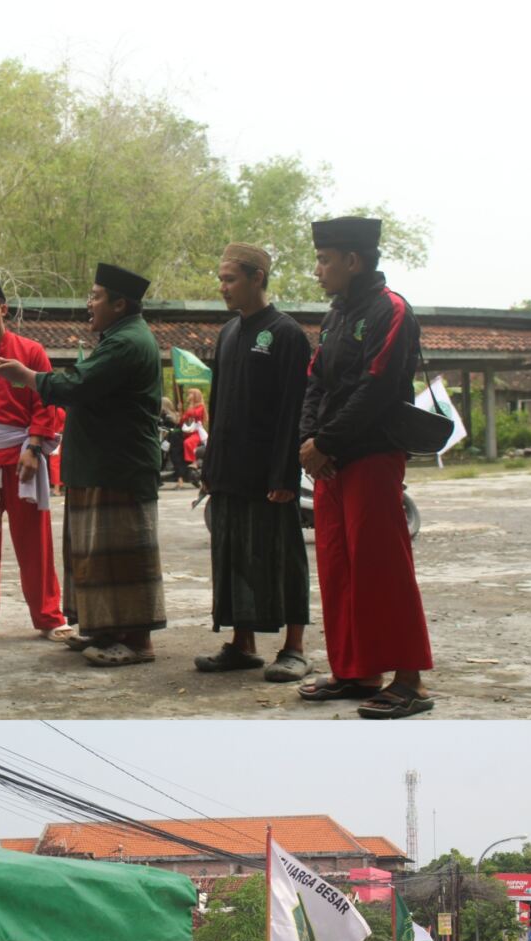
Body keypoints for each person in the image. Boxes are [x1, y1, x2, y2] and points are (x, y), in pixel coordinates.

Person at [0, 263, 165, 667]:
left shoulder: (127, 343)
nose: (89, 304)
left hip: (119, 466)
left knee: (123, 555)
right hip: (100, 465)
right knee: (97, 552)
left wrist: (29, 377)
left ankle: (138, 641)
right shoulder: (116, 338)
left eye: (96, 296)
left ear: (120, 304)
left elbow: (78, 385)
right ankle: (105, 629)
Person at [297, 216, 434, 718]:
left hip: (373, 456)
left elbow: (375, 388)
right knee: (338, 567)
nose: (318, 270)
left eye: (324, 260)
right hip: (331, 462)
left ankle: (410, 681)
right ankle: (356, 670)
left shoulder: (390, 310)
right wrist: (308, 441)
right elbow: (315, 383)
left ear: (353, 262)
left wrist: (325, 441)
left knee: (382, 566)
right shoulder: (335, 316)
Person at [196, 243, 312, 681]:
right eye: (221, 279)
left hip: (268, 474)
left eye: (230, 279)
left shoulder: (286, 335)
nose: (223, 288)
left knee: (281, 558)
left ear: (257, 278)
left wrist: (285, 473)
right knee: (233, 557)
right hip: (229, 470)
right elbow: (218, 403)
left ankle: (294, 647)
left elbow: (293, 410)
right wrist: (210, 469)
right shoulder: (228, 334)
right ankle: (242, 644)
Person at [0, 276, 70, 644]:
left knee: (33, 540)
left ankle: (50, 616)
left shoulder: (31, 351)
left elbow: (46, 402)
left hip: (22, 454)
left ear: (3, 308)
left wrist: (35, 447)